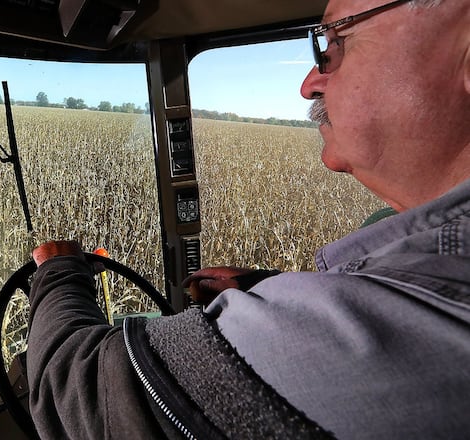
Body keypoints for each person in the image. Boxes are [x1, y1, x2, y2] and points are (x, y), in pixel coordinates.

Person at [25, 0, 470, 438]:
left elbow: (76, 396)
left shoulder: (396, 323)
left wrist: (60, 271)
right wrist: (268, 288)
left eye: (335, 45)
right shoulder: (437, 271)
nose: (310, 84)